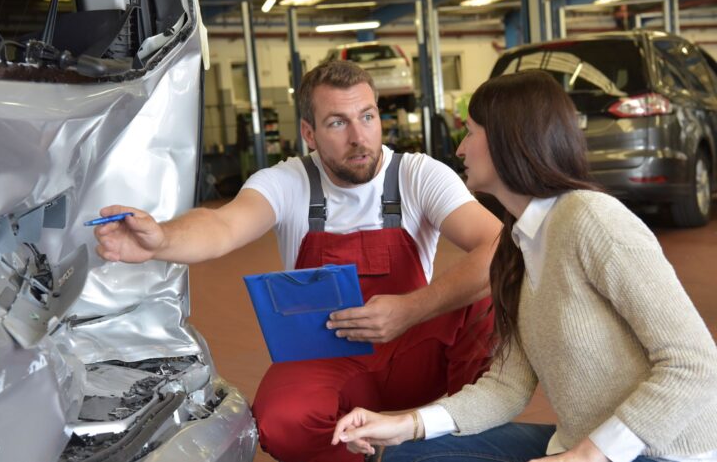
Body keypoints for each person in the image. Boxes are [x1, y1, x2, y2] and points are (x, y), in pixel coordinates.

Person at [93, 60, 502, 462]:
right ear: (309, 133)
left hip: (417, 352)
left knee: (490, 297)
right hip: (333, 358)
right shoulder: (288, 182)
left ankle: (452, 441)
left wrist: (411, 308)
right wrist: (161, 239)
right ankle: (354, 456)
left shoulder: (417, 175)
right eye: (337, 123)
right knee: (282, 420)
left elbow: (498, 245)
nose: (359, 137)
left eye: (367, 116)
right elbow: (222, 226)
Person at [332, 70, 717, 462]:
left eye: (471, 132)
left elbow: (694, 363)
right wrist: (404, 425)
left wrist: (588, 454)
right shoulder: (517, 245)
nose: (461, 149)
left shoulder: (593, 220)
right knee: (402, 456)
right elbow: (507, 387)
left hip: (662, 452)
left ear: (507, 139)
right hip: (577, 444)